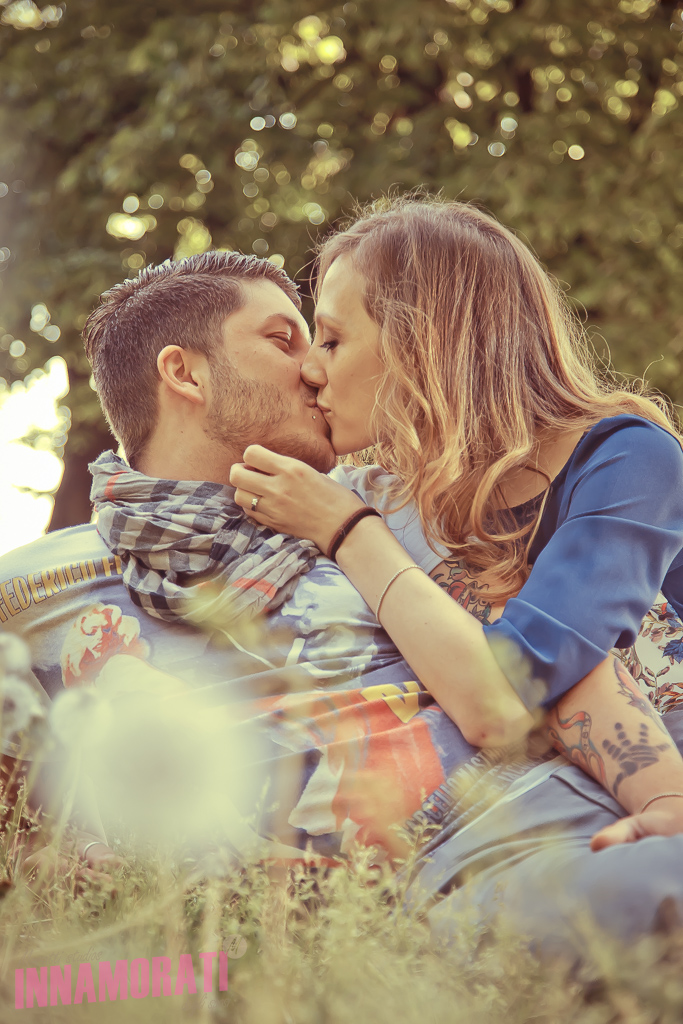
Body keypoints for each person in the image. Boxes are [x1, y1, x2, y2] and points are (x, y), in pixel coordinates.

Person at [1, 249, 683, 953]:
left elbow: (559, 674)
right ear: (184, 373)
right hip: (364, 914)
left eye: (323, 340)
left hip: (527, 829)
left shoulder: (401, 507)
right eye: (283, 340)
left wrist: (663, 802)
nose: (315, 369)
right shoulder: (37, 590)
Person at [229, 197, 683, 846]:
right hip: (537, 800)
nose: (309, 366)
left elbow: (505, 694)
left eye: (332, 338)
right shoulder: (401, 494)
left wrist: (347, 530)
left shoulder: (625, 457)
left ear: (422, 344)